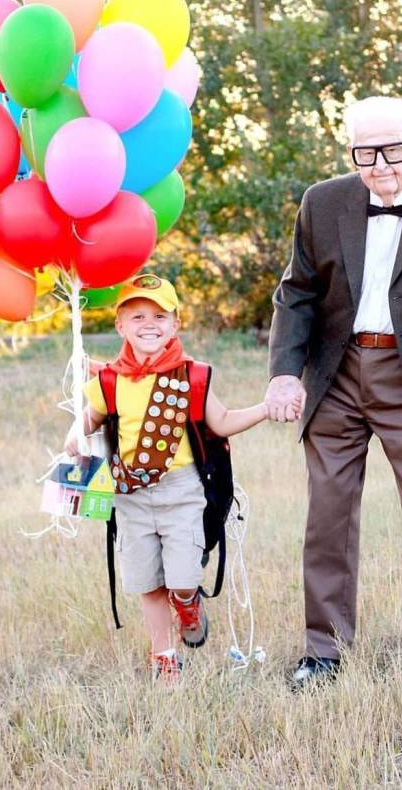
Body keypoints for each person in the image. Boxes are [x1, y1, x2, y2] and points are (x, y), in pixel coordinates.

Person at [266, 95, 402, 688]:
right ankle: (324, 653)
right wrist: (285, 373)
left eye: (392, 150)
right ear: (351, 153)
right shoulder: (321, 202)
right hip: (335, 373)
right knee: (328, 514)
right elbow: (297, 293)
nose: (381, 165)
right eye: (366, 153)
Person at [65, 274, 267, 681]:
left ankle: (188, 602)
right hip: (131, 497)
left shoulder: (190, 376)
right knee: (147, 582)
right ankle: (165, 658)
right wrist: (74, 436)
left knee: (182, 578)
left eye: (159, 316)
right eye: (137, 316)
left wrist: (266, 408)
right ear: (120, 325)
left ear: (176, 323)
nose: (149, 324)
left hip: (182, 493)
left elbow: (222, 421)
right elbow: (89, 419)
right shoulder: (109, 380)